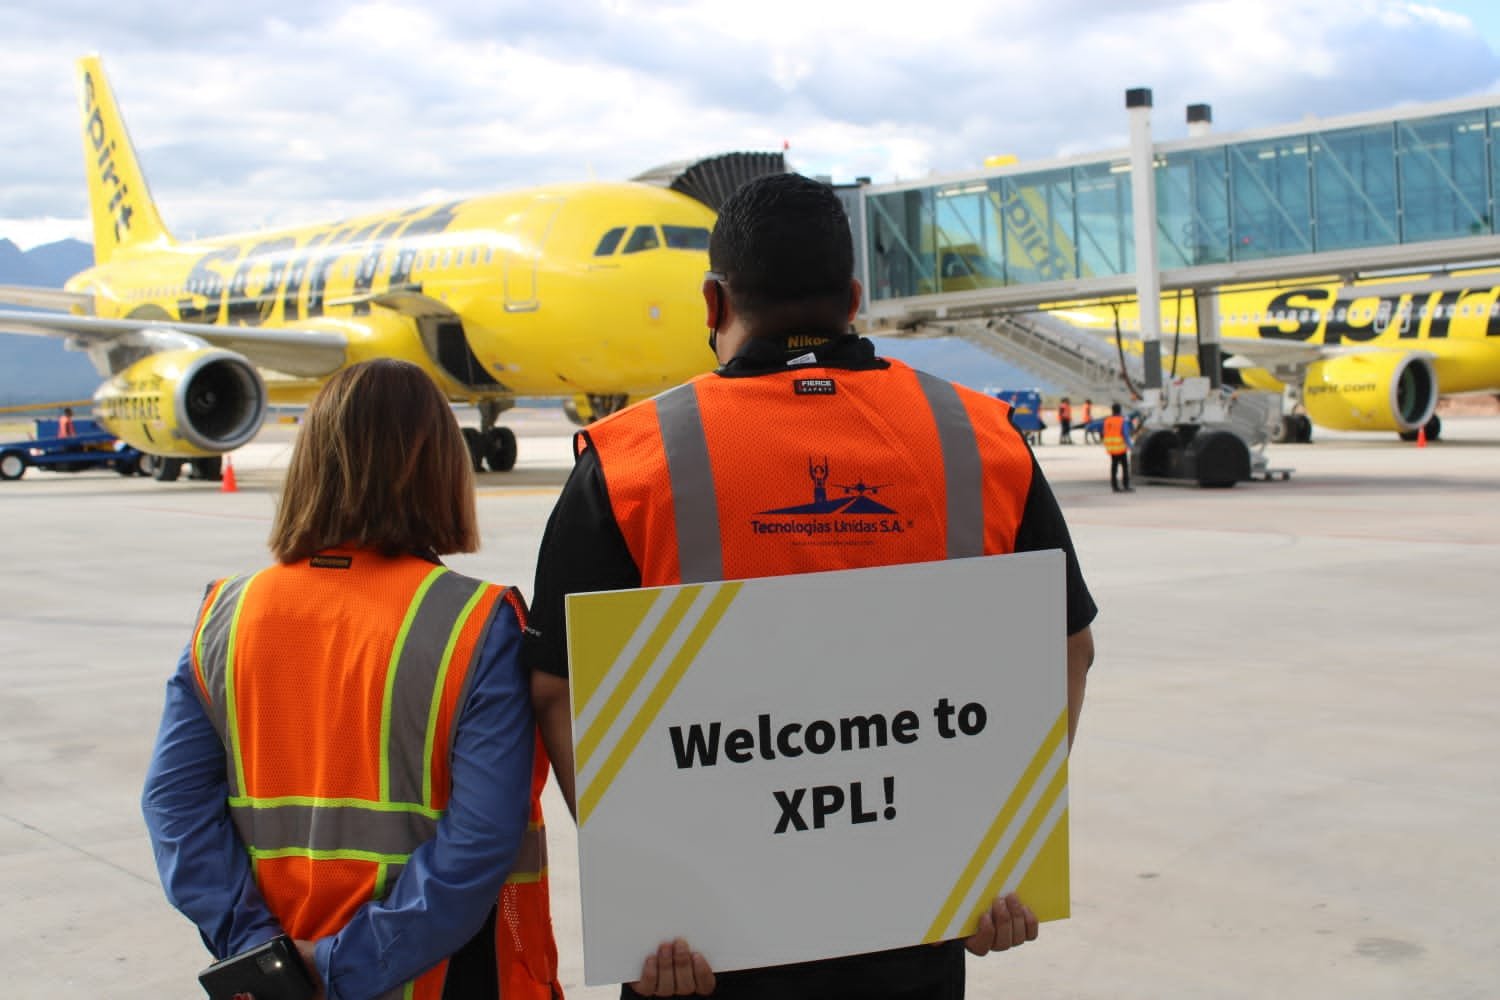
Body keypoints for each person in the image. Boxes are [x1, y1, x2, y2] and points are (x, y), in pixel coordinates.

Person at [526, 173, 1097, 999]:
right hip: (911, 925)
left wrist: (647, 887)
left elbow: (555, 694)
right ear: (855, 298)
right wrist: (1000, 852)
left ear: (713, 303)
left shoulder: (629, 460)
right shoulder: (982, 439)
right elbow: (1067, 653)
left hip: (709, 947)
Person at [142, 359, 562, 1000]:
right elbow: (481, 839)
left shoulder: (224, 615)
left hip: (275, 980)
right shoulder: (477, 623)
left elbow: (174, 807)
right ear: (440, 467)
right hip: (439, 977)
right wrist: (345, 964)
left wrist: (263, 951)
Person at [1103, 402, 1134, 493]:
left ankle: (1114, 486)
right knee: (1125, 467)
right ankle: (1126, 485)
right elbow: (1125, 434)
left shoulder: (1107, 420)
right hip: (1120, 448)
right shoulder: (1122, 420)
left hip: (1111, 448)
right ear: (1120, 410)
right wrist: (1130, 446)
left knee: (1114, 467)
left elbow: (1104, 433)